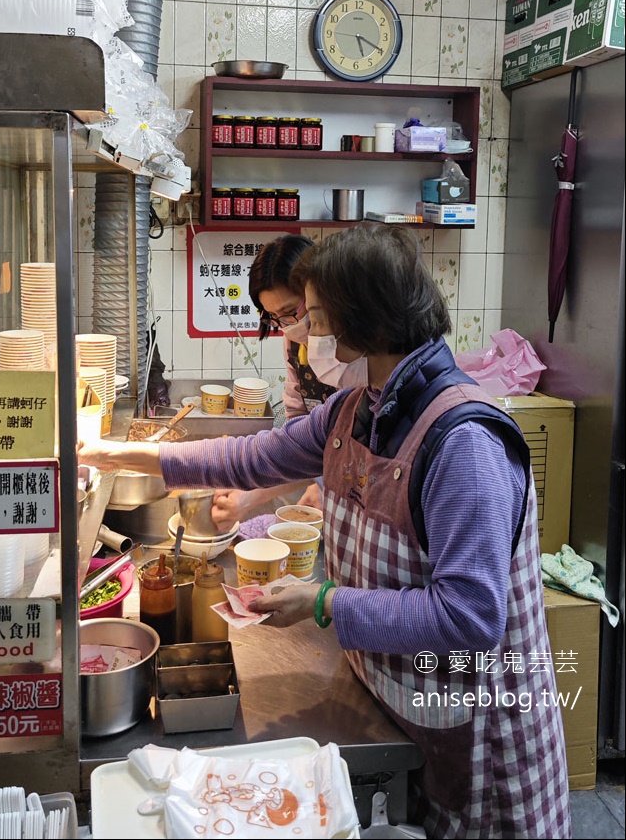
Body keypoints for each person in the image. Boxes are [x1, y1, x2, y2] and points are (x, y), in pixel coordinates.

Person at [79, 224, 572, 838]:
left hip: (476, 735)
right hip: (396, 704)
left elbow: (468, 618)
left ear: (362, 318)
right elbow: (253, 457)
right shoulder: (357, 408)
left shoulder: (463, 442)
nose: (304, 336)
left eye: (311, 317)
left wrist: (323, 602)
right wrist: (117, 457)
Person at [212, 234, 342, 527]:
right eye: (272, 317)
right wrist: (317, 483)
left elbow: (346, 444)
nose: (287, 326)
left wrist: (250, 497)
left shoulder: (355, 353)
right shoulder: (294, 342)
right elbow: (299, 435)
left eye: (288, 312)